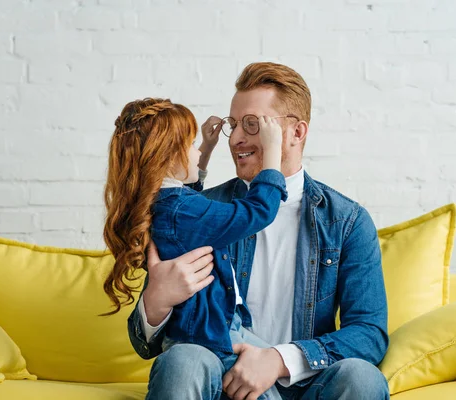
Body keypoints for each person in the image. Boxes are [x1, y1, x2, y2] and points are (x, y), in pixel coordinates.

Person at [129, 62, 390, 400]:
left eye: (253, 125)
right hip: (223, 379)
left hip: (308, 385)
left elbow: (369, 333)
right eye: (233, 125)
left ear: (297, 133)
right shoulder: (200, 210)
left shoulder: (347, 221)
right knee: (183, 359)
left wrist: (278, 360)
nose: (236, 138)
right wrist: (156, 300)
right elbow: (143, 344)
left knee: (362, 377)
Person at [102, 97, 290, 399]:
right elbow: (257, 212)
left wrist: (205, 151)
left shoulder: (165, 206)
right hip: (207, 339)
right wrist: (272, 155)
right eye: (189, 145)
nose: (194, 150)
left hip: (199, 335)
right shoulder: (182, 211)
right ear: (169, 157)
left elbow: (189, 199)